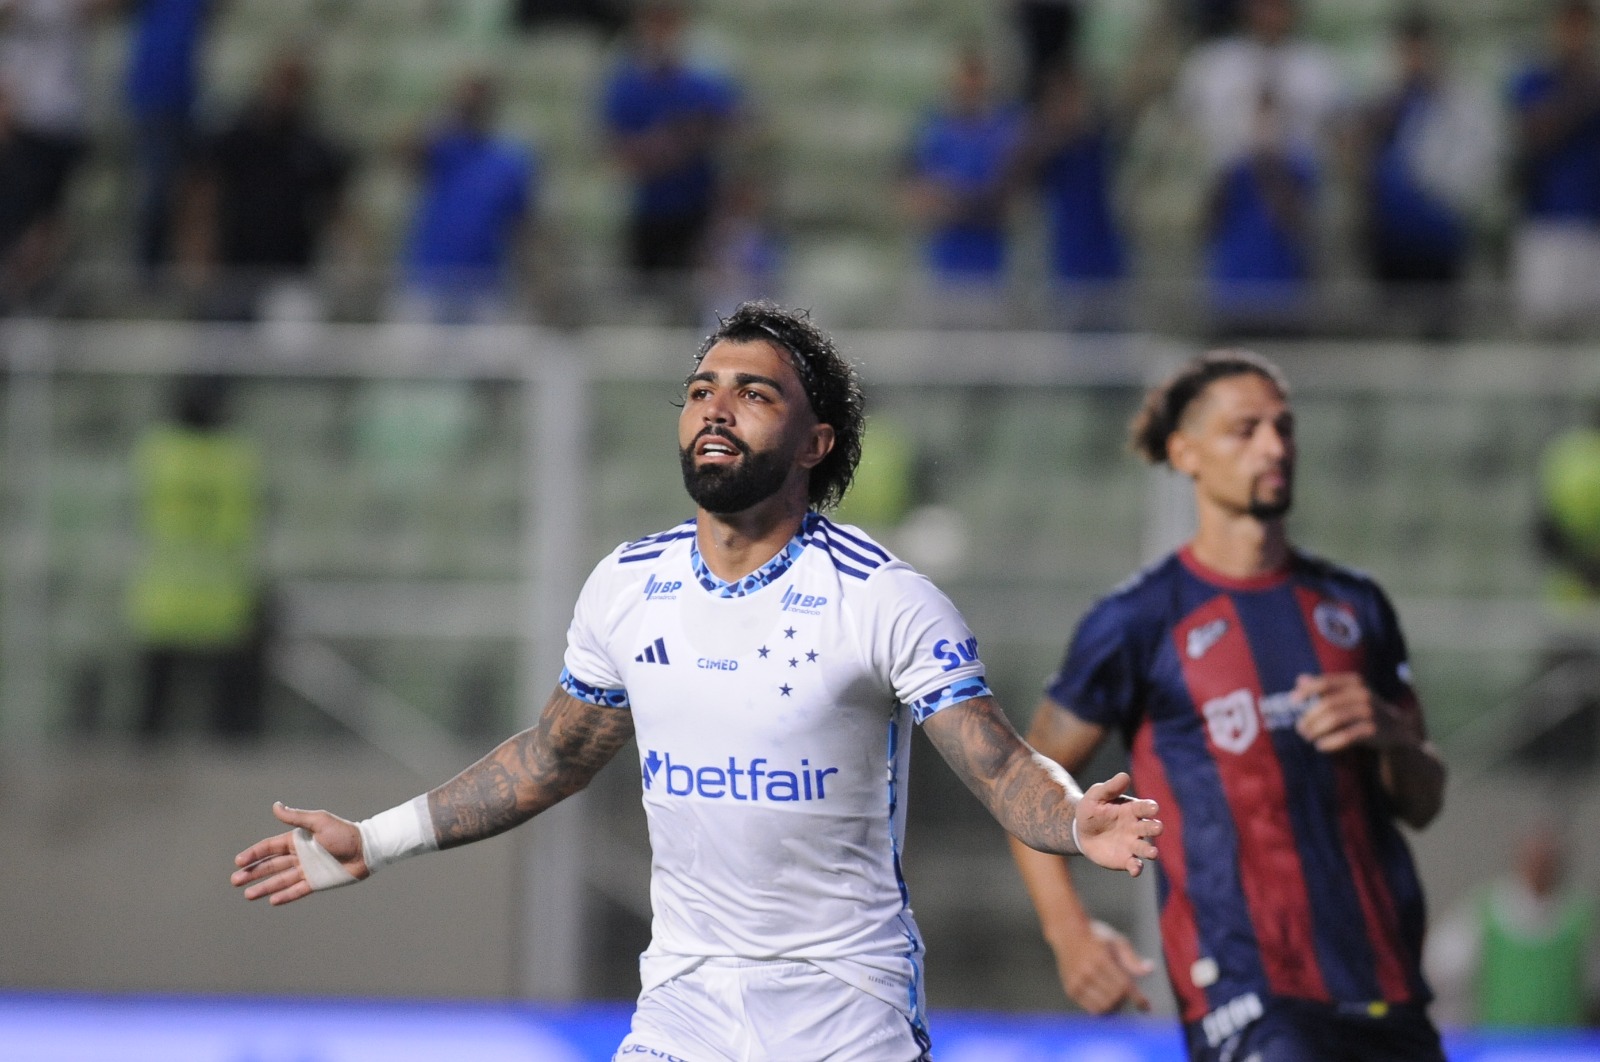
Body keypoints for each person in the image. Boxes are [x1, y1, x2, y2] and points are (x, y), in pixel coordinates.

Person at [232, 301, 1162, 1061]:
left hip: (845, 1012)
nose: (716, 408)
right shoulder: (628, 585)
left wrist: (1075, 819)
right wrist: (375, 839)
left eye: (754, 393)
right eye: (699, 390)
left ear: (814, 443)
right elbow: (552, 758)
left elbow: (1001, 767)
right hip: (683, 1006)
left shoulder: (883, 599)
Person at [1011, 349, 1449, 1061]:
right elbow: (1025, 780)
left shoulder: (1354, 606)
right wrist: (1070, 931)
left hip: (1386, 983)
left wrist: (1394, 736)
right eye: (1245, 430)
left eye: (1284, 427)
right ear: (1185, 453)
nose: (1275, 447)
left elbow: (1423, 805)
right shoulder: (1136, 622)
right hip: (1246, 991)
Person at [127, 374, 268, 740]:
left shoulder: (158, 452)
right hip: (221, 597)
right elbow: (245, 522)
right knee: (227, 716)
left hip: (165, 595)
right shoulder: (236, 456)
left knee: (155, 712)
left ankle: (143, 775)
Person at [181, 51, 351, 322]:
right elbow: (203, 193)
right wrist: (197, 247)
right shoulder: (235, 139)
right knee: (219, 349)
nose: (285, 91)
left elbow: (337, 208)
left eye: (294, 83)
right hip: (233, 268)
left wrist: (347, 260)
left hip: (290, 272)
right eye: (281, 81)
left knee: (293, 347)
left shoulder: (315, 147)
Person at [1359, 12, 1498, 340]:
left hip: (1439, 238)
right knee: (1390, 332)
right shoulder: (1385, 105)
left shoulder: (1461, 102)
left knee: (1439, 332)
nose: (1415, 60)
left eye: (1421, 50)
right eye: (1408, 51)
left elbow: (1478, 165)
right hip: (1390, 238)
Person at [601, 0, 740, 312]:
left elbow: (733, 125)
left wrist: (675, 143)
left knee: (697, 298)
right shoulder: (625, 86)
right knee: (645, 299)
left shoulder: (704, 84)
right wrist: (674, 143)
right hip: (648, 211)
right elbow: (617, 148)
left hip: (698, 209)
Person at [1426, 820, 1599, 1028]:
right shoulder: (1487, 910)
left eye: (1547, 861)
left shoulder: (1581, 916)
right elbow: (1440, 969)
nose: (1540, 867)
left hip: (1563, 1046)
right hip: (1500, 1045)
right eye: (1534, 859)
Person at [396, 72, 538, 324]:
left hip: (485, 282)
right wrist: (442, 114)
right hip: (430, 277)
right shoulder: (441, 148)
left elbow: (523, 224)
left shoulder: (510, 160)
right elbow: (401, 153)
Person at [900, 47, 1025, 322]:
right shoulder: (932, 129)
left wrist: (956, 202)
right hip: (942, 265)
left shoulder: (1005, 130)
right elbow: (915, 193)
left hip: (991, 267)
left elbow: (1006, 200)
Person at [1508, 0, 1600, 332]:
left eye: (1582, 28)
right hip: (1545, 226)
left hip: (1592, 226)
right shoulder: (1534, 80)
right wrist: (1583, 94)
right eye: (1567, 27)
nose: (1574, 36)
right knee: (1543, 337)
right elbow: (1533, 130)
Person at [124, 0, 214, 275]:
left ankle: (180, 265)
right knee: (158, 187)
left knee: (190, 188)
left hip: (186, 98)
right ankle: (149, 267)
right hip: (154, 97)